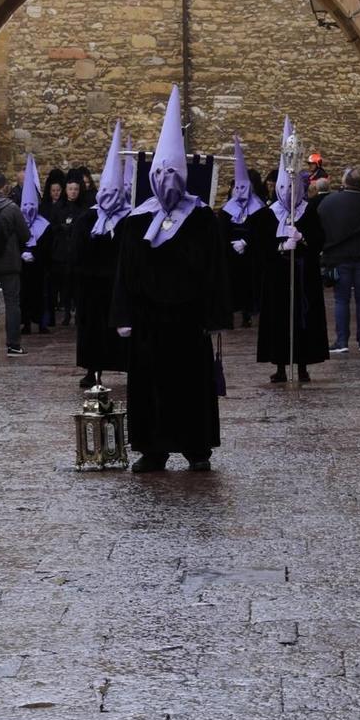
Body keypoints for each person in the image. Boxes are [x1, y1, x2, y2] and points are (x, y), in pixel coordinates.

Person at [111, 86, 229, 472]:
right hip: (148, 322)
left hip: (188, 320)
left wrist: (214, 317)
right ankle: (153, 447)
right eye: (160, 173)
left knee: (190, 387)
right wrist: (123, 315)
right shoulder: (136, 222)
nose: (166, 179)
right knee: (150, 387)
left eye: (172, 173)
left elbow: (214, 269)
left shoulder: (201, 220)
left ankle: (197, 448)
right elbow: (125, 273)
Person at [250, 118, 329, 384]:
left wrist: (303, 239)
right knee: (279, 321)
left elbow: (320, 239)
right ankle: (281, 365)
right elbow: (261, 247)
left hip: (303, 276)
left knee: (303, 320)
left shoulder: (309, 213)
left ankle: (304, 364)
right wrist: (281, 245)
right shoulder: (267, 216)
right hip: (277, 278)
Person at [75, 121, 132, 389]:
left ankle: (128, 365)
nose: (109, 197)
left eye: (114, 193)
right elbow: (78, 250)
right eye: (105, 192)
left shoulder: (129, 221)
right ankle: (92, 369)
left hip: (117, 284)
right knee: (92, 332)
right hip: (91, 286)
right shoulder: (88, 219)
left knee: (120, 330)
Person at [318, 167, 360, 355]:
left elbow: (320, 227)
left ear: (345, 182)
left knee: (341, 299)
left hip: (338, 257)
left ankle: (342, 341)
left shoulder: (329, 202)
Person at [0, 171, 32, 358]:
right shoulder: (12, 208)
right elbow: (25, 235)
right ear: (5, 187)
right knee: (12, 304)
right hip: (9, 261)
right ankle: (13, 345)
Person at [219, 133, 266, 328]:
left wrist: (246, 242)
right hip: (231, 255)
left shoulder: (259, 207)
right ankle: (230, 312)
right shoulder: (226, 209)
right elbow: (222, 230)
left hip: (250, 255)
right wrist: (230, 244)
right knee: (231, 284)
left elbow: (261, 230)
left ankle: (248, 312)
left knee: (249, 284)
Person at [18, 154, 54, 334]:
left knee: (42, 294)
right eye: (26, 206)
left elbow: (48, 246)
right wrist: (22, 252)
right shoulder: (19, 222)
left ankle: (42, 322)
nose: (28, 209)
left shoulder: (44, 224)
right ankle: (25, 321)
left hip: (40, 266)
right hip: (23, 267)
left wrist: (36, 255)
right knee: (24, 295)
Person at [50, 170, 88, 327]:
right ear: (66, 190)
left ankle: (78, 312)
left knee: (77, 285)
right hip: (62, 252)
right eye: (71, 189)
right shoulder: (59, 207)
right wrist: (61, 228)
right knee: (64, 285)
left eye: (76, 189)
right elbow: (52, 226)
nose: (73, 192)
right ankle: (66, 313)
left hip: (77, 252)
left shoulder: (83, 208)